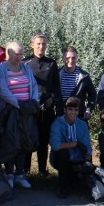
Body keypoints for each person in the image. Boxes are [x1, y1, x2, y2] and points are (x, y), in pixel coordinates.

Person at [0, 41, 39, 189]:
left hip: (26, 111)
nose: (20, 56)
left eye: (21, 53)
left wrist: (33, 101)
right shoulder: (1, 68)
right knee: (10, 142)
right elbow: (2, 90)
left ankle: (20, 174)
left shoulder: (25, 68)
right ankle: (9, 174)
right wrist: (18, 105)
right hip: (10, 111)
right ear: (9, 53)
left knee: (23, 142)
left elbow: (32, 85)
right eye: (17, 54)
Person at [24, 33, 61, 178]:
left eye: (44, 44)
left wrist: (52, 98)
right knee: (27, 138)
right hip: (30, 107)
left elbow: (56, 87)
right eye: (38, 43)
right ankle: (25, 170)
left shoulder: (51, 63)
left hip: (47, 108)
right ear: (32, 45)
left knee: (43, 140)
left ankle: (42, 170)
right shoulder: (25, 62)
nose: (41, 46)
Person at [49, 97, 92, 198]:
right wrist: (75, 144)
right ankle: (62, 187)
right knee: (63, 153)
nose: (73, 112)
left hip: (78, 158)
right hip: (61, 158)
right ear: (65, 110)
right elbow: (55, 146)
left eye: (76, 110)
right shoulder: (57, 123)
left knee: (88, 160)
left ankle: (88, 185)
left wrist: (88, 157)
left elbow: (87, 144)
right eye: (70, 109)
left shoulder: (83, 124)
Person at [59, 46, 96, 120]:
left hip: (79, 115)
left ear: (77, 58)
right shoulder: (57, 74)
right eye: (67, 58)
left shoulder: (83, 76)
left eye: (73, 58)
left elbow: (92, 94)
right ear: (63, 58)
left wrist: (89, 109)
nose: (70, 60)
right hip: (61, 114)